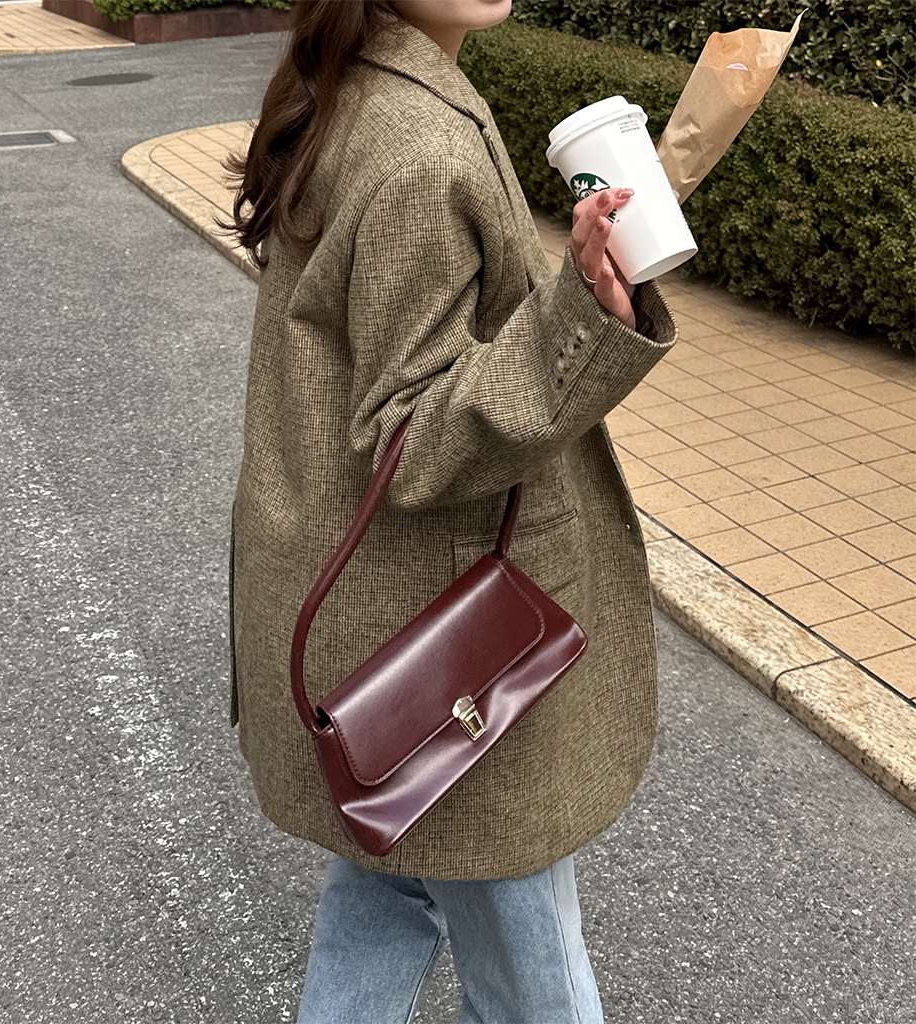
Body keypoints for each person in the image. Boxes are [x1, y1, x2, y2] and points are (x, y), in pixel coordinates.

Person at [225, 1, 678, 1020]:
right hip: (448, 648)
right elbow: (415, 436)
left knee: (390, 890)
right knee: (534, 982)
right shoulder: (421, 147)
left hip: (377, 625)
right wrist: (580, 317)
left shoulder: (354, 88)